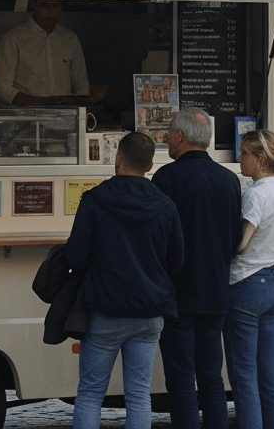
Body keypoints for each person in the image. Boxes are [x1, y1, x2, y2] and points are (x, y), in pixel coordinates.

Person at [66, 131, 183, 429]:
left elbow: (76, 257)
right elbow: (177, 263)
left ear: (117, 160)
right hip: (149, 314)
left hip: (105, 311)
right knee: (139, 396)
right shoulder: (166, 206)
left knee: (91, 394)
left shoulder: (94, 201)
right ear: (150, 165)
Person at [150, 108, 243, 429]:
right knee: (212, 379)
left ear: (180, 136)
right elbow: (235, 241)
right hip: (216, 293)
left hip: (177, 295)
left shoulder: (166, 178)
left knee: (181, 381)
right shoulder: (230, 181)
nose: (165, 141)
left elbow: (158, 240)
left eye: (168, 134)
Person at [224, 129, 274, 429]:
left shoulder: (255, 194)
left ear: (259, 158)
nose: (239, 159)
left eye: (243, 153)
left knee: (243, 375)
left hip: (247, 283)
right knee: (270, 373)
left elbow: (242, 242)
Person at [0, 0, 108, 106]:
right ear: (33, 4)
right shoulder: (13, 39)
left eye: (56, 6)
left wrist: (81, 109)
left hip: (64, 120)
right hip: (25, 120)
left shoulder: (70, 39)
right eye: (45, 6)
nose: (51, 12)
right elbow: (2, 88)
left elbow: (81, 85)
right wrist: (41, 103)